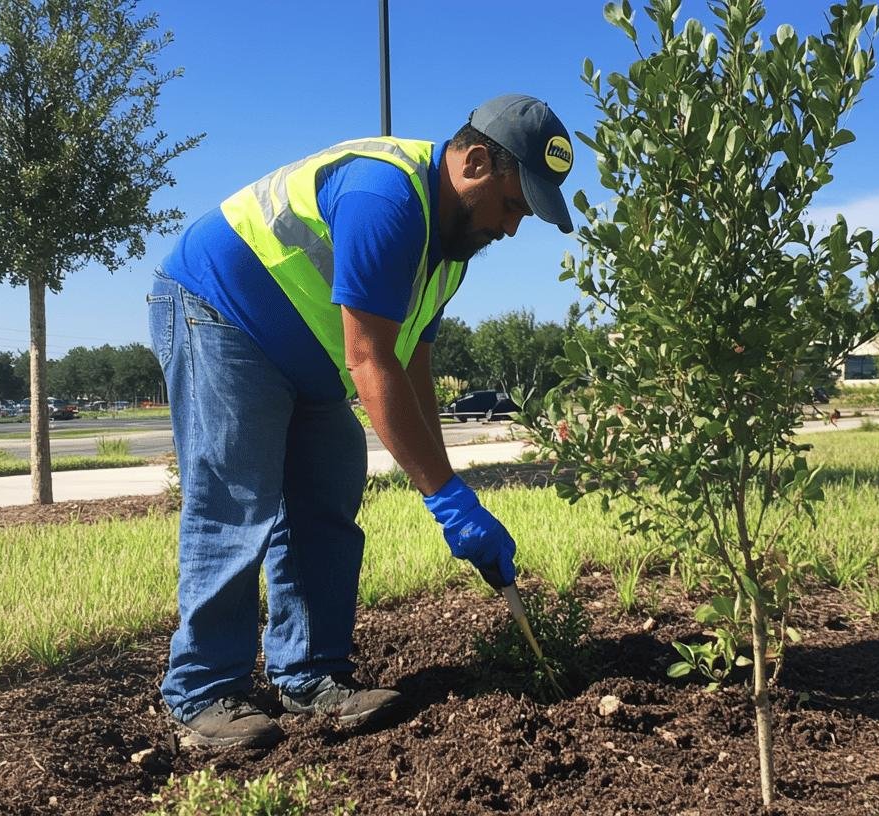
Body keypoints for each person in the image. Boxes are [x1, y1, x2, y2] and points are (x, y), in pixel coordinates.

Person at [146, 94, 575, 748]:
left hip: (308, 359)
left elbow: (413, 367)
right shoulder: (387, 196)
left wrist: (450, 483)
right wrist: (445, 499)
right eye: (514, 206)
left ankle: (310, 678)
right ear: (477, 161)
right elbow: (370, 359)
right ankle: (203, 694)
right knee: (237, 502)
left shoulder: (446, 258)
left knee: (328, 496)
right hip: (223, 312)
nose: (512, 228)